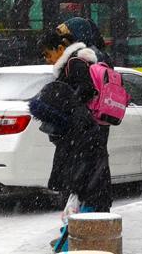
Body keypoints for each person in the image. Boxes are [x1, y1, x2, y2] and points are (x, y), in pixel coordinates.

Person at [33, 31, 112, 213]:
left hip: (82, 132)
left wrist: (66, 106)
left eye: (48, 54)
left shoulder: (74, 63)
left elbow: (86, 90)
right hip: (82, 131)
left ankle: (83, 228)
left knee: (83, 182)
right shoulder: (74, 62)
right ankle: (80, 227)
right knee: (85, 182)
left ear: (60, 48)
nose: (47, 59)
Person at [56, 17, 114, 184]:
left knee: (90, 160)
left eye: (68, 35)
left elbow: (86, 88)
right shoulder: (102, 55)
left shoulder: (86, 57)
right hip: (102, 115)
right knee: (99, 157)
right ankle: (100, 200)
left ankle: (92, 200)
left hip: (91, 116)